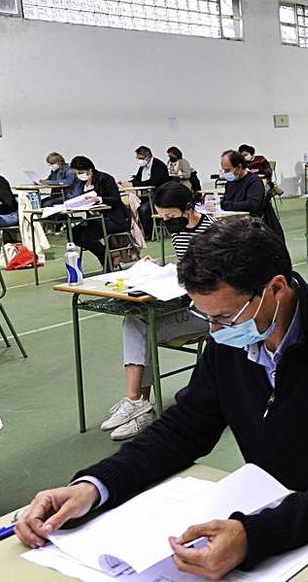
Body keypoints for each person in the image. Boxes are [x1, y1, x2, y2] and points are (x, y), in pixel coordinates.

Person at [14, 217, 308, 581]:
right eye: (206, 317)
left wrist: (253, 536)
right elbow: (184, 427)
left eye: (224, 317)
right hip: (276, 506)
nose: (215, 330)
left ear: (275, 288)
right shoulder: (233, 339)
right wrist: (95, 486)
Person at [102, 182, 215, 441]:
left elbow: (213, 279)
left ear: (187, 208)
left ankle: (138, 404)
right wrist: (158, 269)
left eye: (171, 216)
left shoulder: (211, 231)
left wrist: (183, 277)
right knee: (137, 320)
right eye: (162, 217)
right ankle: (137, 403)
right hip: (183, 298)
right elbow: (186, 266)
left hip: (207, 312)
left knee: (143, 327)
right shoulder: (178, 232)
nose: (167, 222)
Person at [66, 156, 131, 268]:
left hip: (114, 219)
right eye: (77, 173)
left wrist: (99, 199)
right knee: (73, 233)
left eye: (80, 172)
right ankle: (107, 255)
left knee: (87, 236)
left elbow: (115, 199)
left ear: (90, 169)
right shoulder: (81, 183)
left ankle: (106, 261)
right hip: (94, 218)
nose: (79, 175)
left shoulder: (105, 179)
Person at [122, 146, 171, 240]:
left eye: (140, 158)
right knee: (134, 206)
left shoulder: (158, 165)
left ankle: (149, 233)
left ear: (147, 156)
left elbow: (152, 182)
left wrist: (132, 184)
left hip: (160, 195)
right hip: (147, 195)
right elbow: (137, 179)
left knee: (144, 209)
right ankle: (139, 232)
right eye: (138, 158)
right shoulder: (142, 167)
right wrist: (127, 183)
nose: (139, 160)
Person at [219, 150, 265, 218]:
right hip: (231, 220)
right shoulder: (230, 182)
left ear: (239, 167)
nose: (225, 173)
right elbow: (226, 201)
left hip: (250, 223)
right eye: (224, 170)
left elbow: (252, 205)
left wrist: (223, 205)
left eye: (227, 170)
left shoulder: (254, 182)